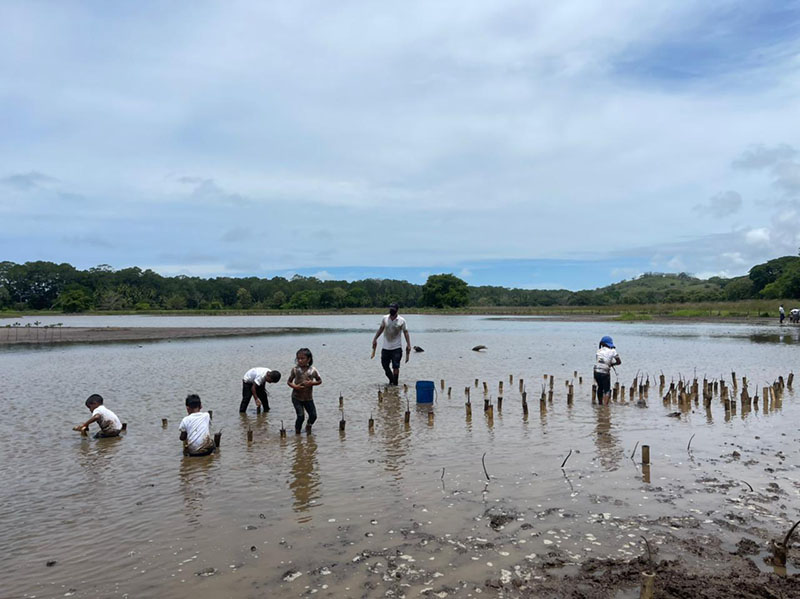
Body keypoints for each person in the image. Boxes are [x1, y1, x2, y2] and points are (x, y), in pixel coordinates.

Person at [372, 302, 411, 385]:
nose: (391, 311)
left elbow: (406, 332)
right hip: (386, 347)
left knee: (395, 366)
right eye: (390, 309)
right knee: (385, 366)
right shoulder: (385, 318)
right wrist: (375, 339)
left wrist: (408, 344)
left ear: (397, 310)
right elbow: (381, 329)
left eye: (393, 309)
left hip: (396, 348)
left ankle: (395, 383)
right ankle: (392, 379)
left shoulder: (401, 320)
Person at [287, 348, 322, 434]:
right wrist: (295, 387)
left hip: (308, 398)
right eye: (298, 358)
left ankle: (308, 425)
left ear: (308, 359)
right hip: (296, 397)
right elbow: (289, 382)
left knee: (313, 415)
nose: (300, 360)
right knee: (300, 416)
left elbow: (319, 381)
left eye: (302, 358)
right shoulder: (295, 370)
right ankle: (297, 432)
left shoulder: (312, 370)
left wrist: (312, 383)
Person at [593, 336, 621, 404]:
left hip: (596, 371)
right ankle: (605, 407)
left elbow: (599, 361)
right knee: (607, 390)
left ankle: (600, 404)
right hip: (605, 372)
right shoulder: (613, 351)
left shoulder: (598, 351)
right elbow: (619, 362)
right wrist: (612, 364)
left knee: (600, 387)